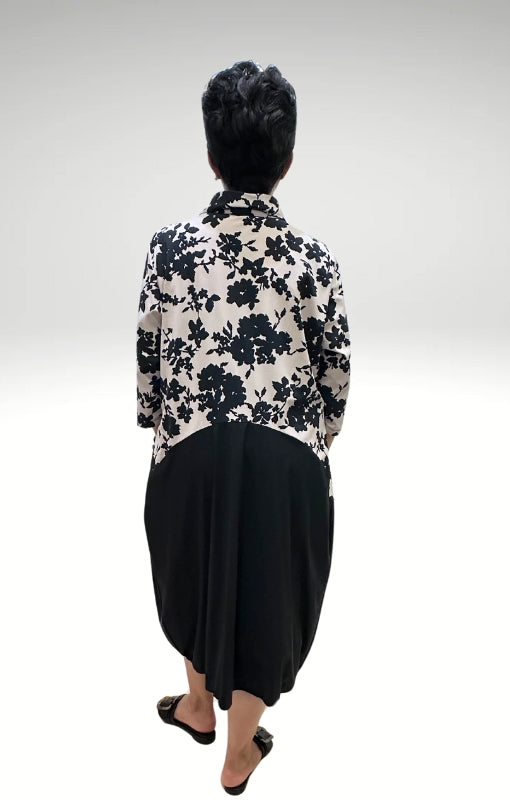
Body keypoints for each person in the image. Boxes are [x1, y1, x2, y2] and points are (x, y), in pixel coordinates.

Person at [137, 59, 351, 793]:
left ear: (211, 156)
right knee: (270, 593)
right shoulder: (314, 259)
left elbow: (150, 353)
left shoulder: (169, 247)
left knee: (191, 566)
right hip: (285, 453)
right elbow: (334, 371)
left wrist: (156, 422)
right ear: (287, 161)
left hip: (190, 445)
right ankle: (237, 751)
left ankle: (197, 705)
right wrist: (320, 437)